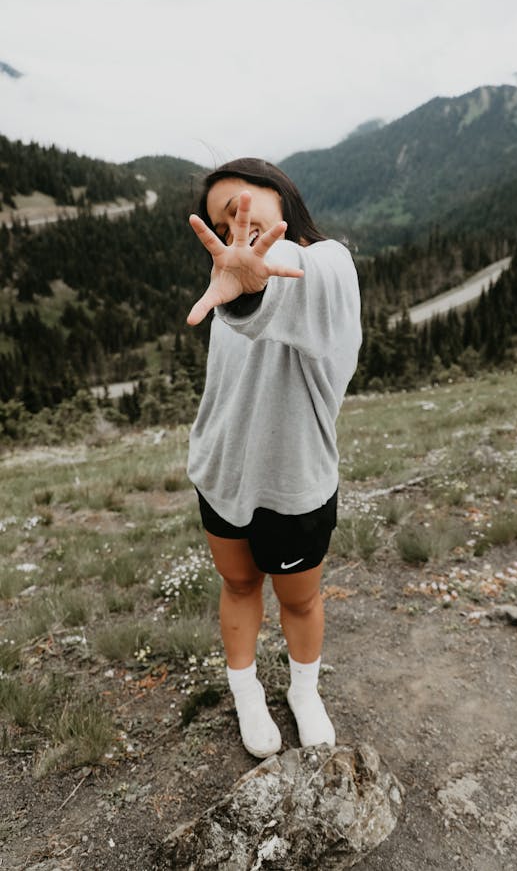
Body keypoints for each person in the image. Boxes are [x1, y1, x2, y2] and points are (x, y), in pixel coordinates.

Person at [185, 158, 361, 758]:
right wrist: (242, 282)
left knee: (300, 599)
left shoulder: (330, 264)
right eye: (219, 218)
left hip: (294, 482)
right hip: (222, 472)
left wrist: (255, 282)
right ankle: (246, 693)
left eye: (241, 199)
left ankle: (304, 692)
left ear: (279, 193)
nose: (235, 218)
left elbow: (300, 279)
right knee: (238, 586)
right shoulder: (230, 280)